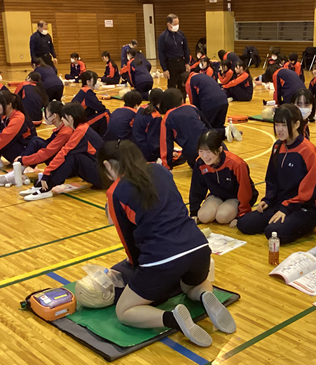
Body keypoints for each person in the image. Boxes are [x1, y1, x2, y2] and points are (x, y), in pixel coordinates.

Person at [100, 140, 236, 347]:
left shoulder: (116, 191)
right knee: (190, 285)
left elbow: (127, 239)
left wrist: (137, 269)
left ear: (107, 165)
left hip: (162, 259)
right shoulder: (160, 170)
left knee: (124, 311)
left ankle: (173, 318)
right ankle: (205, 294)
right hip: (198, 247)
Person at [237, 105, 316, 244]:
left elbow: (309, 190)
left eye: (284, 125)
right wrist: (268, 199)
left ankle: (301, 226)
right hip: (281, 203)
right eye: (277, 125)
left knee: (273, 232)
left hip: (305, 206)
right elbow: (271, 178)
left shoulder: (309, 151)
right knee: (244, 224)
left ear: (296, 124)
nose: (279, 129)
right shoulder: (278, 146)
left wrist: (287, 208)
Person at [23, 102, 103, 201]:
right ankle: (44, 185)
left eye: (63, 117)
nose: (62, 119)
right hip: (100, 172)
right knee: (72, 156)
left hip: (103, 177)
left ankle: (46, 187)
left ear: (70, 118)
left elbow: (63, 153)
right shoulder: (81, 128)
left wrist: (46, 173)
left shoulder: (81, 131)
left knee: (72, 157)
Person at [190, 130, 258, 227]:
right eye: (201, 151)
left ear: (220, 149)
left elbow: (245, 190)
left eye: (209, 151)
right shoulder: (200, 163)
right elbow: (197, 187)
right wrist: (194, 211)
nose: (205, 156)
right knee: (203, 216)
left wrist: (242, 214)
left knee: (222, 217)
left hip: (236, 197)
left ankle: (233, 209)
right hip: (217, 195)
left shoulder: (236, 164)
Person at [5, 101, 73, 186]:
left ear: (54, 116)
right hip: (61, 161)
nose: (44, 115)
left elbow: (47, 152)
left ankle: (18, 169)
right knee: (36, 141)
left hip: (66, 167)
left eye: (46, 113)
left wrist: (23, 159)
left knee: (37, 142)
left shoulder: (65, 132)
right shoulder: (60, 129)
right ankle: (19, 170)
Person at [159, 88, 209, 169]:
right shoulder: (192, 107)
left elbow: (166, 143)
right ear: (181, 99)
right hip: (213, 143)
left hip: (195, 152)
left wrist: (167, 166)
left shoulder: (168, 117)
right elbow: (207, 125)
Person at [183, 71, 239, 141]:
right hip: (223, 100)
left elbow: (194, 104)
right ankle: (229, 131)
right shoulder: (202, 76)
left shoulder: (189, 82)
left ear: (183, 83)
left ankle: (224, 131)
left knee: (203, 129)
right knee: (216, 127)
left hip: (211, 103)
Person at [72, 71, 110, 136]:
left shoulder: (83, 90)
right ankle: (104, 138)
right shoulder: (87, 92)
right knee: (105, 114)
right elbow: (100, 107)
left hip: (77, 122)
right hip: (80, 125)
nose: (97, 82)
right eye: (95, 80)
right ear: (88, 82)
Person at [158, 14, 190, 89]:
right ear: (168, 24)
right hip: (171, 64)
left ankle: (182, 96)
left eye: (178, 23)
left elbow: (186, 48)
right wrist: (165, 69)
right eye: (175, 24)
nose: (177, 26)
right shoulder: (163, 37)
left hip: (181, 62)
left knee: (183, 85)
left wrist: (187, 63)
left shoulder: (181, 34)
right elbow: (161, 53)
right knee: (172, 86)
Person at [133, 88, 163, 162]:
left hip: (135, 146)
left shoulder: (142, 108)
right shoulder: (155, 116)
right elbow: (153, 141)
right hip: (145, 152)